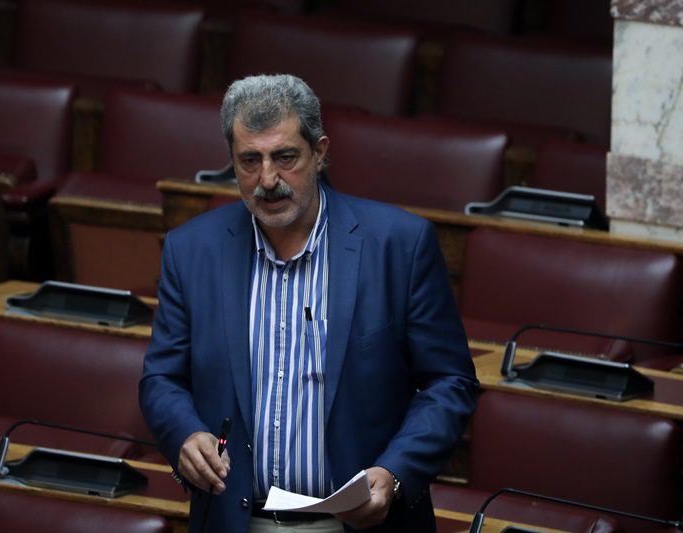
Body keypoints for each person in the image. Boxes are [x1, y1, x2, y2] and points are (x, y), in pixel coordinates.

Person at [139, 74, 478, 533]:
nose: (268, 180)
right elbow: (161, 378)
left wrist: (394, 473)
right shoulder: (191, 250)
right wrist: (184, 433)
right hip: (235, 519)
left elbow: (450, 382)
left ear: (319, 152)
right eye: (249, 161)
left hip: (359, 523)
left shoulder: (399, 245)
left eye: (285, 157)